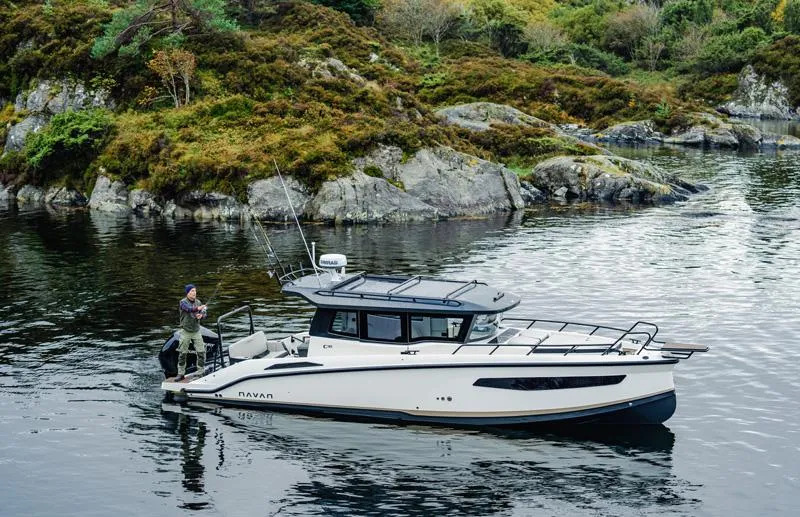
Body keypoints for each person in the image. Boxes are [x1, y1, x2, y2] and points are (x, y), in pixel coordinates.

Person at [175, 284, 208, 381]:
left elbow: (204, 313)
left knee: (201, 352)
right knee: (182, 353)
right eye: (192, 291)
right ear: (187, 293)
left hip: (196, 331)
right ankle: (181, 373)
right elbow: (188, 309)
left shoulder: (198, 302)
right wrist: (198, 309)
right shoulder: (182, 302)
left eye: (195, 291)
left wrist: (201, 316)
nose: (194, 293)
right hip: (186, 331)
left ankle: (200, 372)